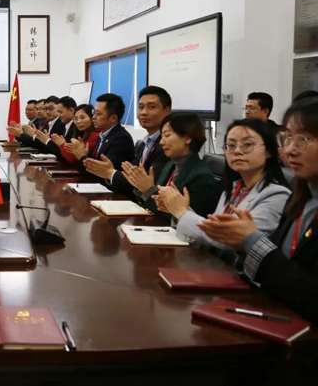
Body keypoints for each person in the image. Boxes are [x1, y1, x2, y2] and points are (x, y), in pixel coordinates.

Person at [199, 99, 318, 322]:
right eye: (288, 138)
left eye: (303, 139)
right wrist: (242, 245)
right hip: (276, 312)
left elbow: (309, 293)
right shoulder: (300, 198)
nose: (290, 150)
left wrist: (250, 240)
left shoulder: (279, 193)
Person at [156, 118, 290, 261]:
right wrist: (177, 209)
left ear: (269, 151)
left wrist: (182, 212)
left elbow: (227, 239)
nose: (237, 151)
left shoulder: (276, 194)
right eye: (231, 145)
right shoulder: (234, 188)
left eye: (247, 145)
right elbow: (212, 232)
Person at [124, 112, 220, 221]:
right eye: (162, 136)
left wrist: (148, 190)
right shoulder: (170, 165)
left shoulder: (201, 177)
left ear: (187, 138)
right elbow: (157, 203)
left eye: (167, 135)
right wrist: (141, 187)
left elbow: (186, 220)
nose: (161, 142)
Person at [85, 86, 172, 197]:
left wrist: (109, 172)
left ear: (166, 111)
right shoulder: (145, 143)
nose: (144, 112)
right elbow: (130, 176)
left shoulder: (166, 145)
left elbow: (144, 183)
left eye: (151, 107)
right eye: (141, 107)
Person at [68, 94, 135, 179]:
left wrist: (82, 156)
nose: (93, 117)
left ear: (113, 118)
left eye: (98, 114)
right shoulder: (102, 136)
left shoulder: (121, 139)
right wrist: (84, 155)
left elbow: (102, 173)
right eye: (94, 113)